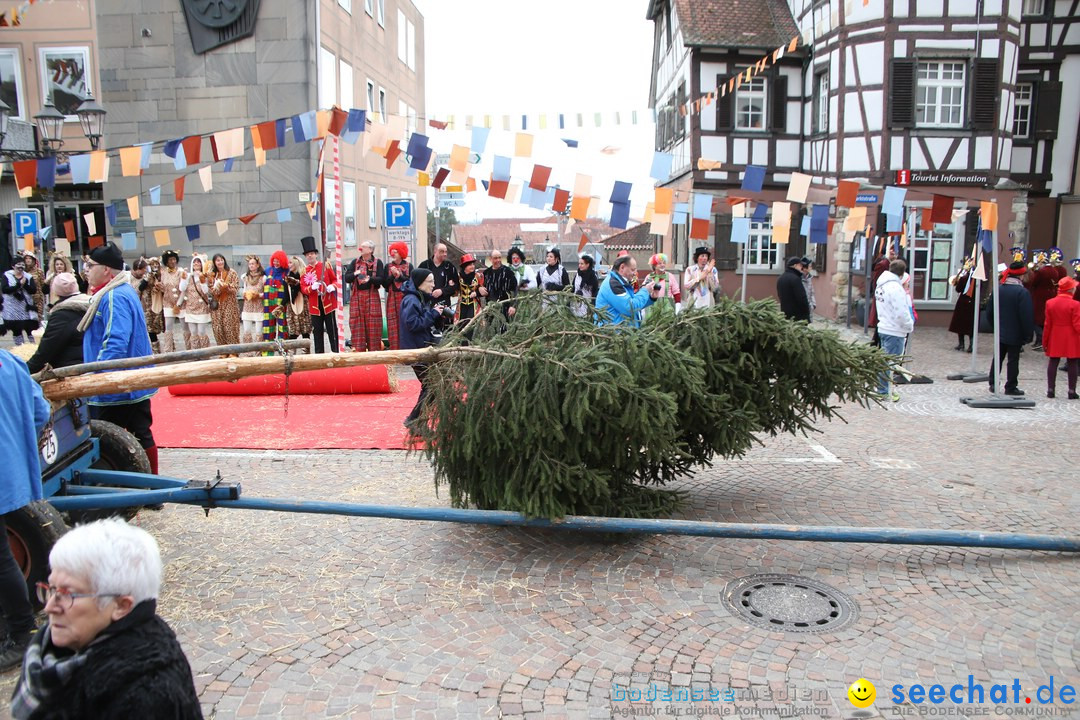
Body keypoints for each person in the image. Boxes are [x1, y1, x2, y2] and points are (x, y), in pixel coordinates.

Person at [10, 518, 203, 718]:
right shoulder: (51, 650)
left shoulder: (145, 696)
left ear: (121, 605)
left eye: (68, 594)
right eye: (51, 589)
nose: (49, 607)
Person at [77, 241, 158, 473]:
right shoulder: (120, 290)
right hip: (130, 381)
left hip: (116, 385)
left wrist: (96, 376)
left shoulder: (114, 296)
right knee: (142, 433)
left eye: (90, 265)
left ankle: (123, 489)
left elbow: (115, 342)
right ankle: (151, 491)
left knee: (109, 439)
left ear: (105, 270)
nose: (86, 269)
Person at [0, 348, 51, 671]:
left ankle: (21, 631)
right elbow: (39, 412)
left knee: (1, 559)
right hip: (9, 469)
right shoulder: (10, 361)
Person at [399, 268, 446, 429]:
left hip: (421, 348)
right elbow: (413, 324)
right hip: (415, 351)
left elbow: (422, 322)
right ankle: (415, 421)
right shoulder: (411, 300)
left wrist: (437, 317)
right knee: (431, 385)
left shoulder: (419, 297)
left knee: (430, 386)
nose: (433, 285)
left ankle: (416, 421)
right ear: (420, 283)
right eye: (430, 281)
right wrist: (432, 314)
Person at [988, 260, 1035, 396]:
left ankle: (993, 383)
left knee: (997, 358)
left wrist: (994, 327)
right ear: (1021, 276)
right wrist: (1028, 334)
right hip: (1016, 332)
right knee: (1013, 360)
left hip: (1000, 331)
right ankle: (1011, 386)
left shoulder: (999, 289)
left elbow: (990, 312)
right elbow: (1026, 315)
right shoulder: (1022, 292)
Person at [26, 273, 88, 374]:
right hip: (90, 363)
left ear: (56, 291)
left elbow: (47, 349)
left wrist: (24, 371)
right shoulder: (91, 304)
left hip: (71, 369)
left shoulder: (62, 315)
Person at [874, 258, 915, 401]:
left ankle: (884, 389)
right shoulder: (895, 288)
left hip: (884, 327)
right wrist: (909, 325)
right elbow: (901, 312)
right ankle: (885, 391)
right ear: (902, 274)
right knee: (891, 363)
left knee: (886, 361)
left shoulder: (881, 285)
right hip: (894, 330)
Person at [299, 236, 339, 353]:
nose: (310, 256)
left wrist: (333, 287)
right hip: (314, 306)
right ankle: (319, 354)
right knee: (317, 331)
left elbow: (335, 280)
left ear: (316, 254)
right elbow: (303, 289)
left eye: (312, 253)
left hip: (328, 303)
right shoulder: (304, 271)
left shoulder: (325, 266)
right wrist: (312, 287)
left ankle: (336, 351)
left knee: (332, 329)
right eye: (307, 255)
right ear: (306, 257)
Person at [596, 255, 660, 328]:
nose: (635, 273)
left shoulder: (621, 282)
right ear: (622, 267)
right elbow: (630, 308)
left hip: (621, 331)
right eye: (632, 270)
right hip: (614, 334)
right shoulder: (613, 284)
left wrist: (651, 298)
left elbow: (634, 303)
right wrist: (645, 290)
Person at [343, 240, 385, 352]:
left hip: (372, 296)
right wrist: (355, 274)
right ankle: (359, 354)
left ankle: (374, 354)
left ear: (370, 250)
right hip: (357, 297)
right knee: (357, 326)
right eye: (361, 247)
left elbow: (381, 279)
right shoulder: (355, 262)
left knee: (373, 326)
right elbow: (347, 278)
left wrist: (370, 279)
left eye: (364, 247)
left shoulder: (378, 262)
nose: (360, 249)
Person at [1043, 276, 1080, 399]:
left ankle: (1050, 389)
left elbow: (1047, 324)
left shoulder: (1050, 303)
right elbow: (1077, 324)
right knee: (1072, 362)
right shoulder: (1075, 304)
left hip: (1055, 334)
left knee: (1053, 361)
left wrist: (1045, 341)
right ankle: (1071, 390)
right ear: (1070, 290)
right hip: (1071, 336)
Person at [2, 258, 40, 346]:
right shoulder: (7, 275)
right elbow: (5, 289)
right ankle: (20, 348)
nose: (21, 267)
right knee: (16, 330)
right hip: (12, 309)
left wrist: (25, 284)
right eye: (18, 264)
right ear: (13, 266)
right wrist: (18, 285)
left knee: (30, 330)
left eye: (22, 265)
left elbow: (33, 290)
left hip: (26, 308)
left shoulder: (28, 276)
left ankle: (33, 347)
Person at [177, 253, 212, 350]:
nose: (196, 264)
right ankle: (195, 353)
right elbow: (182, 288)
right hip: (190, 307)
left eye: (199, 262)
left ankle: (205, 352)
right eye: (195, 262)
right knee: (193, 333)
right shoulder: (188, 276)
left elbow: (206, 292)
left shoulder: (205, 276)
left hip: (201, 308)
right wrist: (183, 279)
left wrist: (202, 281)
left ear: (202, 264)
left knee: (201, 332)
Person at [1025, 249, 1057, 351]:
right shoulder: (1054, 271)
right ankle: (1040, 341)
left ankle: (1041, 339)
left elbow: (1033, 282)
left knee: (1036, 319)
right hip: (1051, 295)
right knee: (1044, 318)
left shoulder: (1041, 271)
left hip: (1039, 296)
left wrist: (1034, 272)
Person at [132, 258, 165, 353]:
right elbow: (140, 288)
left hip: (158, 303)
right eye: (153, 264)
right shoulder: (146, 276)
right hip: (146, 304)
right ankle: (154, 350)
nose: (155, 266)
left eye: (157, 264)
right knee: (150, 328)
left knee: (158, 326)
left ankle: (163, 349)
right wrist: (148, 278)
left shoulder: (161, 275)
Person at [384, 242, 413, 350]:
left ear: (401, 252)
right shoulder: (387, 266)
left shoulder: (409, 266)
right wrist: (392, 275)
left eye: (396, 251)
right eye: (392, 251)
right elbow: (384, 284)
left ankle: (406, 350)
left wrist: (400, 275)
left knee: (405, 323)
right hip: (392, 298)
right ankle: (394, 350)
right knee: (392, 325)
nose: (393, 253)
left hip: (404, 297)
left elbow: (411, 282)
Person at [208, 253, 241, 347]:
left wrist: (226, 287)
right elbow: (211, 290)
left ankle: (233, 350)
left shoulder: (232, 272)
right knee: (218, 328)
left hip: (229, 304)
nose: (220, 262)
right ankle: (222, 349)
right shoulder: (212, 275)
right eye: (218, 260)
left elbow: (236, 288)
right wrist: (218, 288)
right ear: (214, 262)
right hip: (217, 305)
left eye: (222, 260)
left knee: (230, 327)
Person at [948, 256, 977, 352]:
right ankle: (971, 346)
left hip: (963, 302)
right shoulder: (976, 279)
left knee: (961, 324)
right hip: (973, 303)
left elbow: (958, 289)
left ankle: (961, 344)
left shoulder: (964, 278)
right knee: (970, 325)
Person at [157, 250, 184, 352]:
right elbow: (162, 287)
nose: (172, 261)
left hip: (181, 303)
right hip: (167, 302)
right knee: (168, 328)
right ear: (166, 262)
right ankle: (168, 350)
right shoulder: (163, 272)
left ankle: (191, 350)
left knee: (185, 328)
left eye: (174, 259)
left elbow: (183, 289)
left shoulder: (180, 272)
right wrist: (158, 286)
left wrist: (179, 304)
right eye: (170, 260)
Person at [262, 250, 290, 344]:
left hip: (281, 305)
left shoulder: (287, 272)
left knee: (283, 327)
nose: (276, 263)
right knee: (267, 327)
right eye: (274, 260)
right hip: (268, 304)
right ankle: (267, 350)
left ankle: (283, 349)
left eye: (278, 261)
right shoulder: (267, 270)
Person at [482, 249, 518, 319]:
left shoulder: (508, 272)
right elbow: (481, 288)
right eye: (495, 258)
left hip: (505, 308)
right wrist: (480, 288)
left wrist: (513, 306)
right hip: (490, 309)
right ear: (490, 259)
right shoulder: (486, 273)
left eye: (499, 257)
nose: (498, 260)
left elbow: (515, 289)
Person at [285, 256, 312, 348]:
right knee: (293, 332)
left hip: (303, 305)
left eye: (290, 263)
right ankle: (290, 354)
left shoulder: (303, 275)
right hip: (292, 306)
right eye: (288, 263)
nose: (289, 265)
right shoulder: (288, 277)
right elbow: (286, 294)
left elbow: (305, 289)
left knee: (305, 331)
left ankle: (306, 353)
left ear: (296, 263)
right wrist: (281, 306)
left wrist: (297, 283)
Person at [643, 253, 681, 318]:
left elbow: (676, 292)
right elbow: (644, 291)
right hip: (652, 308)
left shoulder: (670, 276)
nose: (662, 265)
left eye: (664, 263)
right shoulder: (649, 277)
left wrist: (677, 305)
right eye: (660, 263)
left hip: (667, 308)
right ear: (654, 266)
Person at [240, 255, 266, 347]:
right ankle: (248, 351)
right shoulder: (245, 277)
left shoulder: (263, 278)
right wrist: (245, 294)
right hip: (247, 307)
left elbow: (266, 293)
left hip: (258, 307)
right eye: (249, 264)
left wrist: (258, 295)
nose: (251, 265)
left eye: (253, 264)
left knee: (258, 332)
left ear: (257, 265)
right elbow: (244, 289)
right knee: (247, 331)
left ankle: (258, 351)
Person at [777, 256, 812, 322]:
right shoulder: (795, 279)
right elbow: (802, 298)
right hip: (798, 315)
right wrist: (806, 313)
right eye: (800, 265)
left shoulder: (780, 278)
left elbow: (780, 295)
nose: (801, 267)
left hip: (785, 312)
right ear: (795, 265)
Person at [455, 254, 483, 323]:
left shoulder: (478, 276)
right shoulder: (458, 276)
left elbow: (483, 290)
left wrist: (476, 293)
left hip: (474, 304)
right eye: (470, 265)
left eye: (473, 264)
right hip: (462, 304)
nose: (473, 266)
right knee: (461, 324)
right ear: (465, 266)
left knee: (473, 323)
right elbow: (455, 291)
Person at [21, 253, 46, 322]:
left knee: (37, 320)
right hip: (24, 300)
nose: (28, 260)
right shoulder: (21, 272)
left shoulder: (39, 271)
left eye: (30, 258)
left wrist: (44, 299)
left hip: (37, 300)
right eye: (26, 258)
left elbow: (43, 285)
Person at [800, 256, 817, 321]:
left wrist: (813, 304)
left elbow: (812, 292)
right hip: (802, 306)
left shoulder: (809, 278)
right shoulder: (799, 278)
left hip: (809, 306)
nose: (811, 268)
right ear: (804, 268)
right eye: (809, 266)